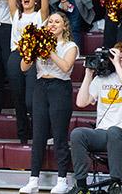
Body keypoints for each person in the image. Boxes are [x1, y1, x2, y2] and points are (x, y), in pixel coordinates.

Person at [69, 41, 122, 194]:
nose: (120, 56)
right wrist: (89, 74)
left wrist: (116, 65)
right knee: (78, 134)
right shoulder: (102, 79)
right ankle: (81, 184)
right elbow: (81, 102)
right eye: (117, 53)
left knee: (114, 131)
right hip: (103, 134)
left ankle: (115, 183)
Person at [19, 12, 78, 194]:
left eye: (57, 21)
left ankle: (62, 180)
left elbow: (66, 67)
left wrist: (48, 48)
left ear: (64, 26)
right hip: (40, 86)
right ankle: (33, 179)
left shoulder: (70, 46)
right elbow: (23, 67)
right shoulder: (39, 43)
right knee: (38, 135)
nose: (52, 24)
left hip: (60, 87)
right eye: (50, 21)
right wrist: (30, 49)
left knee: (59, 135)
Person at [7, 0, 49, 144]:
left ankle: (40, 134)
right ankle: (23, 137)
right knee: (18, 100)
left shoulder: (41, 15)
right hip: (16, 55)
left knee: (31, 100)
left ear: (36, 0)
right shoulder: (16, 14)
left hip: (35, 57)